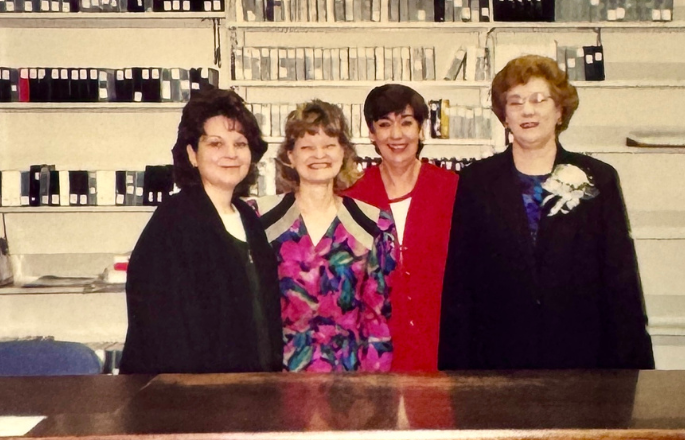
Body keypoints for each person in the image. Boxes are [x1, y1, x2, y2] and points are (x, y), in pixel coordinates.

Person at [439, 55, 654, 370]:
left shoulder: (598, 178)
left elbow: (620, 280)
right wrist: (455, 374)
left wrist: (633, 367)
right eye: (515, 102)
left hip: (582, 359)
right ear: (504, 116)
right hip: (498, 359)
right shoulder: (476, 181)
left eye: (539, 99)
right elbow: (460, 285)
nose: (528, 110)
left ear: (559, 110)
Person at [120, 88, 283, 374]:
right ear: (193, 155)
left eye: (240, 143)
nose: (231, 154)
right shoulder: (175, 221)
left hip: (250, 392)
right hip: (191, 400)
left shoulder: (249, 219)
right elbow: (165, 332)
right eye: (216, 144)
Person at [256, 99, 397, 372]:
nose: (318, 155)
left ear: (343, 152)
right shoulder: (261, 218)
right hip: (278, 376)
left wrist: (374, 391)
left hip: (349, 380)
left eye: (329, 145)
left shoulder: (374, 223)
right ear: (290, 156)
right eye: (307, 147)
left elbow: (377, 317)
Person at [343, 84, 458, 372]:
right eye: (385, 125)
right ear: (372, 133)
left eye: (406, 122)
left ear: (421, 129)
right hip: (378, 352)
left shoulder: (452, 190)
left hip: (443, 347)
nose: (396, 135)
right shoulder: (353, 198)